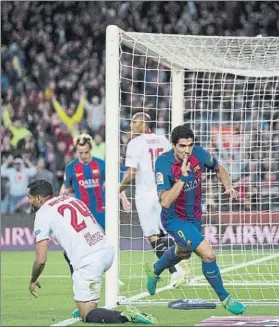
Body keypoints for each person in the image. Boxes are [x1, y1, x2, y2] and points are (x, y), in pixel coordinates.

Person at [145, 124, 247, 315]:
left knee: (183, 252)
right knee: (208, 253)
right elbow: (165, 202)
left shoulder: (198, 154)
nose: (187, 150)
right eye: (182, 146)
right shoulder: (163, 164)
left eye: (190, 145)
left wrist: (228, 185)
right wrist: (182, 179)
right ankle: (226, 298)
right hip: (174, 218)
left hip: (194, 217)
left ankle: (155, 269)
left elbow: (219, 168)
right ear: (173, 145)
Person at [27, 179, 157, 325]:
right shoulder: (72, 199)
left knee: (87, 315)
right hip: (106, 250)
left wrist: (33, 279)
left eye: (29, 197)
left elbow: (41, 259)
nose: (28, 201)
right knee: (67, 254)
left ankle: (126, 315)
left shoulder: (43, 213)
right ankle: (83, 298)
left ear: (38, 198)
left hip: (89, 262)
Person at [119, 113, 190, 287]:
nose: (131, 126)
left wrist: (119, 189)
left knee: (152, 237)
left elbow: (131, 173)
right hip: (164, 191)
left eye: (134, 122)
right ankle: (182, 262)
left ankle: (175, 272)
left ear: (143, 123)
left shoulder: (134, 144)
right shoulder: (163, 140)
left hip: (145, 195)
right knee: (165, 232)